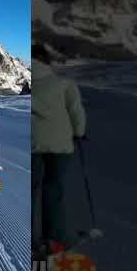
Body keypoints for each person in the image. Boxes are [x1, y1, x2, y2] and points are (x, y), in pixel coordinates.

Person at [31, 44, 86, 256]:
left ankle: (31, 240)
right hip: (60, 145)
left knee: (32, 190)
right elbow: (76, 112)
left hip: (33, 144)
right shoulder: (64, 84)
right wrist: (79, 133)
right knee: (53, 189)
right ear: (47, 62)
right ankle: (53, 240)